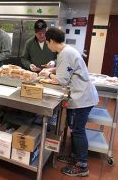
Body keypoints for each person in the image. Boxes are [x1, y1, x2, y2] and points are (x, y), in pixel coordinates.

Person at [39, 27, 99, 177]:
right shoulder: (67, 51)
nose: (48, 46)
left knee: (78, 130)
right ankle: (75, 157)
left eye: (47, 43)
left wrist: (47, 74)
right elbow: (67, 70)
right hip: (81, 96)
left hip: (82, 98)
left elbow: (61, 80)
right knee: (75, 128)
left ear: (51, 41)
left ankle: (82, 165)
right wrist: (52, 70)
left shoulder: (65, 53)